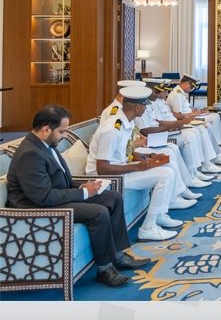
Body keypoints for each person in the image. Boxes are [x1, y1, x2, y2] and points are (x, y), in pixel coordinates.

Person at [6, 105, 150, 287]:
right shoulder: (30, 154)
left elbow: (59, 180)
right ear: (45, 130)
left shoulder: (46, 144)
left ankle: (118, 255)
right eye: (62, 131)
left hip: (53, 196)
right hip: (36, 208)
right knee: (98, 212)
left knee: (113, 198)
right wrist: (83, 192)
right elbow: (43, 197)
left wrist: (83, 186)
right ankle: (105, 269)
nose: (65, 135)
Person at [86, 86, 194, 242]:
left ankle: (159, 215)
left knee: (167, 165)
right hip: (107, 179)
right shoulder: (112, 129)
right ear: (137, 108)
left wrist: (149, 156)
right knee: (166, 174)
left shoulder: (125, 122)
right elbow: (102, 168)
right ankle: (148, 229)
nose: (146, 108)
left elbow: (125, 152)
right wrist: (137, 166)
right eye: (144, 105)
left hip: (120, 169)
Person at [167, 73, 221, 153]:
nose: (192, 89)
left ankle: (216, 147)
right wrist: (195, 114)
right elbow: (178, 115)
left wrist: (197, 111)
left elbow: (185, 109)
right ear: (186, 84)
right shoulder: (177, 94)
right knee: (210, 121)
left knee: (215, 116)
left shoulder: (181, 92)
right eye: (192, 87)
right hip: (187, 119)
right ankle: (215, 149)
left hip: (191, 116)